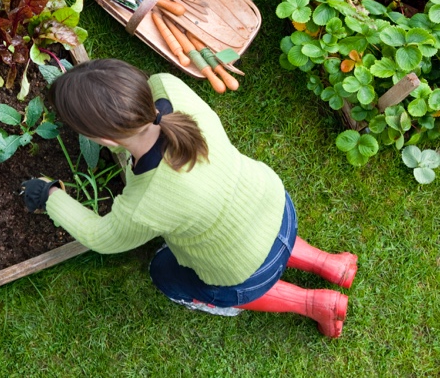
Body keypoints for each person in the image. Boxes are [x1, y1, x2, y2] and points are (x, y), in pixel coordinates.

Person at [21, 59, 357, 338]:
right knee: (252, 231)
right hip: (275, 205)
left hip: (244, 270)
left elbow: (101, 237)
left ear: (105, 139)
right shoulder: (168, 87)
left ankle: (314, 303)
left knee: (164, 273)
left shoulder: (146, 203)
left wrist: (49, 195)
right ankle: (331, 264)